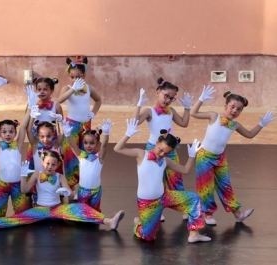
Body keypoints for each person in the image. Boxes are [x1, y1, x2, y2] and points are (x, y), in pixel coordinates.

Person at [0, 150, 125, 231]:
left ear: (57, 165)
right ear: (43, 163)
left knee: (81, 208)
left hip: (57, 210)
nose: (50, 167)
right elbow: (24, 190)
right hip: (41, 210)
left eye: (53, 164)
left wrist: (67, 193)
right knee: (19, 218)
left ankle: (109, 221)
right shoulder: (37, 174)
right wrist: (23, 176)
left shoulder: (60, 176)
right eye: (47, 163)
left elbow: (70, 194)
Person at [114, 118, 211, 243]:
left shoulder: (165, 161)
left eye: (165, 153)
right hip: (147, 203)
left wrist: (192, 156)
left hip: (164, 196)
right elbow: (118, 149)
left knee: (194, 198)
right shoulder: (141, 154)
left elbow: (185, 170)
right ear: (156, 142)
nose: (161, 154)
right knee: (148, 237)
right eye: (160, 150)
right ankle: (138, 225)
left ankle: (194, 235)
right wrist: (127, 135)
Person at [190, 86, 276, 225]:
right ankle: (208, 214)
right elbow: (194, 113)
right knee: (205, 186)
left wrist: (261, 124)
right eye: (232, 107)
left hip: (220, 158)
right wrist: (201, 99)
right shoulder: (214, 116)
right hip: (205, 156)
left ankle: (238, 214)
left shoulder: (235, 125)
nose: (235, 111)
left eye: (239, 109)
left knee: (225, 185)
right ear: (226, 105)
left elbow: (249, 135)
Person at [134, 77, 193, 221]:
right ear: (158, 92)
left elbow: (184, 123)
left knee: (176, 180)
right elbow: (135, 122)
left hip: (170, 150)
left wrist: (187, 108)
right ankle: (155, 209)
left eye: (171, 98)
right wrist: (138, 105)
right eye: (166, 95)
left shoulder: (171, 111)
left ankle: (184, 209)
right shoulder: (150, 111)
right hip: (153, 150)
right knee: (155, 181)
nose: (168, 100)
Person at [58, 57, 102, 188]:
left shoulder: (89, 88)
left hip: (85, 125)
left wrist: (93, 112)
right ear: (68, 76)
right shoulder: (67, 88)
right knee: (70, 155)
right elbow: (59, 100)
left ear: (84, 75)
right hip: (71, 126)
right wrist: (72, 89)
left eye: (78, 77)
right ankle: (70, 187)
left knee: (86, 153)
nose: (75, 80)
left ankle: (85, 183)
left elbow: (98, 100)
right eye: (72, 77)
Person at [61, 119, 113, 212]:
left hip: (96, 191)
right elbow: (73, 145)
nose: (88, 145)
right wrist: (68, 135)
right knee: (83, 212)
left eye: (92, 143)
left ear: (97, 144)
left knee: (95, 212)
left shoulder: (99, 157)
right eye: (85, 143)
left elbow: (104, 146)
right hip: (82, 191)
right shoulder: (81, 156)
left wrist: (106, 133)